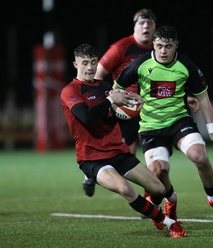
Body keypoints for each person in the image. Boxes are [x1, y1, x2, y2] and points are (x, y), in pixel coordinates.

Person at [113, 26, 213, 229]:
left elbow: (203, 96)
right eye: (159, 46)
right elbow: (116, 88)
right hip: (151, 127)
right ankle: (171, 200)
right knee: (159, 172)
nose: (163, 51)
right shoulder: (140, 64)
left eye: (168, 47)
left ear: (176, 46)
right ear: (153, 44)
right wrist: (125, 102)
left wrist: (212, 131)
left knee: (199, 156)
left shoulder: (186, 65)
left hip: (179, 121)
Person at [60, 43, 186, 238]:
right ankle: (169, 223)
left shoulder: (105, 87)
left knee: (158, 188)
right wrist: (111, 100)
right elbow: (86, 117)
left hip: (118, 153)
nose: (90, 67)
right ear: (75, 64)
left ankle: (155, 211)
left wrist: (134, 103)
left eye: (93, 62)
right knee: (125, 189)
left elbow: (118, 114)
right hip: (92, 159)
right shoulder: (70, 91)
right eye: (84, 63)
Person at [82, 8, 199, 197]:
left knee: (151, 158)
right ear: (135, 26)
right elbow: (98, 74)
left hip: (153, 108)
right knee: (123, 154)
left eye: (150, 23)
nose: (146, 26)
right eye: (141, 23)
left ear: (155, 28)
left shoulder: (161, 48)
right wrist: (108, 98)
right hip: (127, 108)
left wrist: (186, 97)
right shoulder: (121, 47)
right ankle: (93, 173)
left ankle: (150, 196)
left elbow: (170, 80)